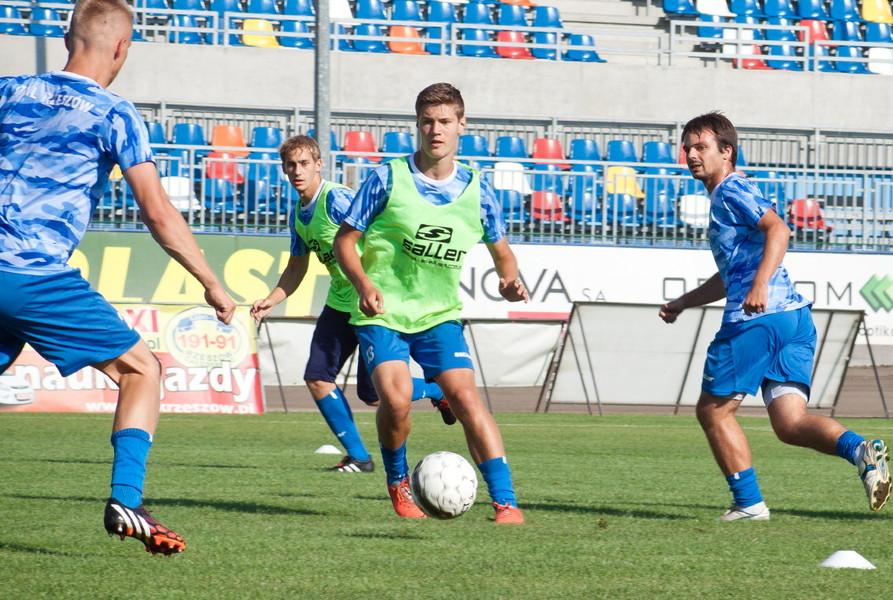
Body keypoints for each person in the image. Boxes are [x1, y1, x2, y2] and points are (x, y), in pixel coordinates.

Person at [0, 0, 236, 554]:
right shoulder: (114, 113)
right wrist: (211, 281)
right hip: (33, 274)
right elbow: (157, 212)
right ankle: (126, 499)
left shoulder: (8, 89)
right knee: (142, 370)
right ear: (122, 48)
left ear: (66, 36)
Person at [659, 111, 890, 520]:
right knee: (790, 422)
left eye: (701, 147)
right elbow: (730, 275)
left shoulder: (731, 189)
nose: (692, 155)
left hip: (757, 322)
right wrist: (684, 301)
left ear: (726, 151)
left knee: (712, 410)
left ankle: (748, 504)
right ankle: (860, 450)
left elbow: (779, 229)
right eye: (688, 148)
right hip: (792, 320)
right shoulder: (726, 195)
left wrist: (760, 285)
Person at [334, 83, 528, 524]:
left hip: (439, 315)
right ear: (417, 125)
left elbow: (503, 253)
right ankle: (399, 483)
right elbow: (346, 240)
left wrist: (510, 280)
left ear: (462, 125)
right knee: (397, 400)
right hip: (383, 312)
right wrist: (363, 283)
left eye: (444, 121)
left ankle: (506, 503)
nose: (435, 130)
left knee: (468, 400)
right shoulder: (387, 178)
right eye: (426, 121)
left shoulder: (479, 191)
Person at [250, 135, 454, 474]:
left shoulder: (337, 200)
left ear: (318, 165)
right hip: (340, 303)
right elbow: (297, 266)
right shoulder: (299, 216)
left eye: (304, 164)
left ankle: (438, 389)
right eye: (290, 165)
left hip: (370, 300)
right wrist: (271, 299)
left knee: (375, 394)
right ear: (283, 170)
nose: (297, 171)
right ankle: (359, 457)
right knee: (318, 377)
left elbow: (378, 233)